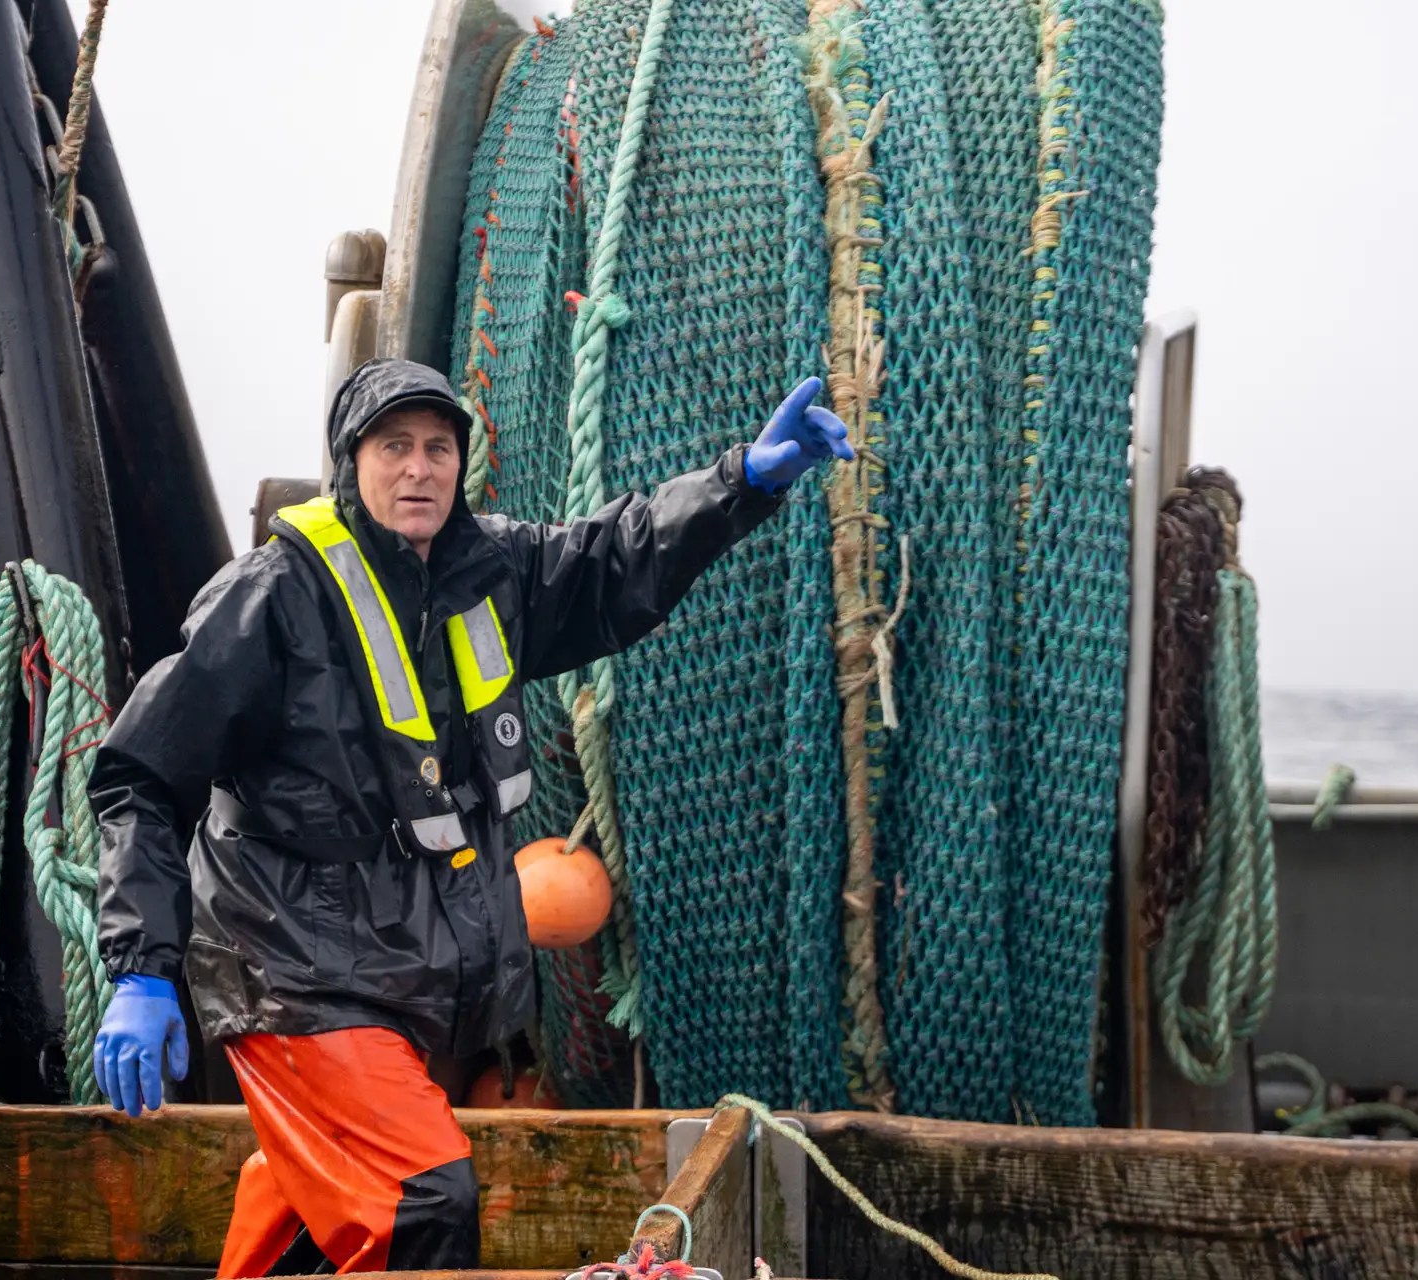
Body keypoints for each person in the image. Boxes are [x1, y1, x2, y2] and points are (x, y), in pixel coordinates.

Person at [86, 357, 852, 1276]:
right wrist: (141, 971)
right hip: (294, 978)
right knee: (420, 1202)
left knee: (307, 1214)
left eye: (438, 448)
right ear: (350, 461)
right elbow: (138, 775)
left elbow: (620, 557)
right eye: (395, 446)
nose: (419, 469)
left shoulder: (494, 569)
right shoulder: (270, 596)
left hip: (399, 985)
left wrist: (743, 482)